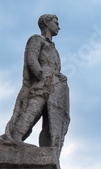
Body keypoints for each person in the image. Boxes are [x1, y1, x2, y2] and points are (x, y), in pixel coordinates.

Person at [4, 14, 70, 154]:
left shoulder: (54, 50)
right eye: (56, 23)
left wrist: (59, 76)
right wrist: (41, 76)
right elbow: (31, 59)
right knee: (32, 110)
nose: (59, 27)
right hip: (42, 84)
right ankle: (16, 139)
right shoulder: (36, 39)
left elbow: (55, 68)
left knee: (50, 122)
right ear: (47, 22)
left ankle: (48, 153)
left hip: (55, 87)